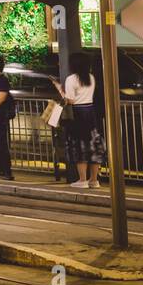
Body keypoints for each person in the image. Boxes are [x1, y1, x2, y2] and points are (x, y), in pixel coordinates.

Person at [51, 51, 105, 188]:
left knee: (80, 147)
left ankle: (82, 180)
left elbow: (70, 100)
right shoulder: (91, 78)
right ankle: (94, 180)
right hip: (90, 113)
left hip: (78, 114)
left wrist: (59, 88)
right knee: (93, 146)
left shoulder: (71, 79)